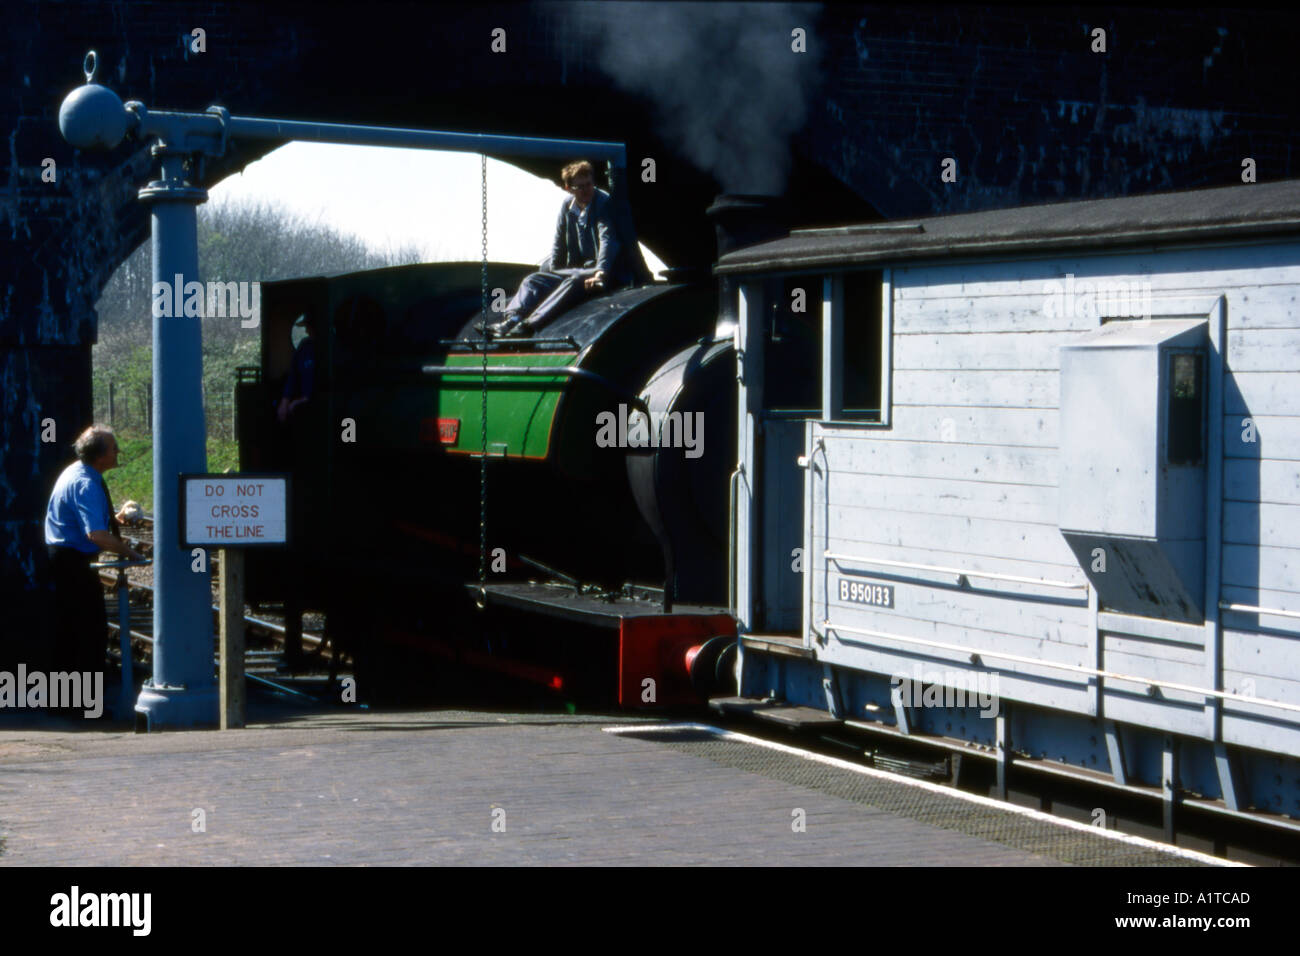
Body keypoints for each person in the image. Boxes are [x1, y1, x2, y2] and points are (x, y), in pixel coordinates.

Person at [489, 160, 648, 337]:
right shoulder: (567, 206)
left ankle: (530, 325)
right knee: (533, 280)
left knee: (574, 280)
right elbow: (559, 240)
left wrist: (601, 272)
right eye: (580, 187)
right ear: (568, 188)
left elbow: (607, 240)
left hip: (605, 271)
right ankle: (511, 320)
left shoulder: (603, 203)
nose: (587, 190)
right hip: (580, 268)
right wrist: (555, 271)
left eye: (589, 184)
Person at [44, 425, 142, 680]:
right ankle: (84, 706)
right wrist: (131, 553)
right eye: (113, 448)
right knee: (88, 630)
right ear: (100, 456)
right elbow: (96, 535)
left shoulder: (78, 472)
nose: (118, 451)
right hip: (72, 560)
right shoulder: (86, 483)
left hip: (66, 556)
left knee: (71, 627)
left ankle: (67, 702)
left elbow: (86, 521)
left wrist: (116, 518)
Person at [278, 313, 317, 423]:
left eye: (310, 327)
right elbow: (293, 375)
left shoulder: (332, 349)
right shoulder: (305, 347)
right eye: (306, 327)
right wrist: (285, 401)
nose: (307, 331)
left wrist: (306, 400)